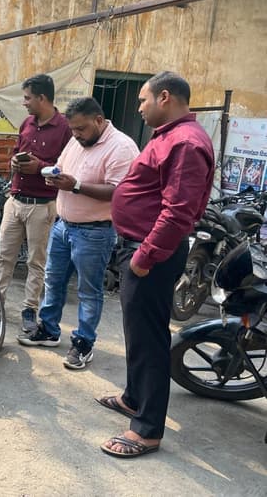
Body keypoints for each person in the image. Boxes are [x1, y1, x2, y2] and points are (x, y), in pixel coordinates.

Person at [99, 72, 214, 458]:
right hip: (140, 248)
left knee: (149, 339)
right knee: (137, 332)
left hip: (151, 254)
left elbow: (178, 212)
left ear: (165, 97)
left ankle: (147, 430)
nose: (139, 107)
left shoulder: (185, 143)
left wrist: (144, 258)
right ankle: (134, 398)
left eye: (143, 99)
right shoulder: (169, 136)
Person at [17, 97, 139, 369]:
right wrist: (54, 175)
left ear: (99, 120)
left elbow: (119, 192)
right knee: (53, 280)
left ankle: (84, 342)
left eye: (81, 129)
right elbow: (63, 167)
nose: (76, 134)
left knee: (88, 290)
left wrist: (75, 186)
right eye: (72, 129)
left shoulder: (122, 147)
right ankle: (49, 330)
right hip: (63, 225)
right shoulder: (77, 140)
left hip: (94, 231)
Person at [0, 74, 72, 334]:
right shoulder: (26, 123)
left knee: (36, 262)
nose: (24, 102)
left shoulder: (65, 128)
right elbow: (16, 150)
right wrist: (15, 161)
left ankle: (29, 309)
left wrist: (40, 167)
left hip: (42, 204)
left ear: (42, 98)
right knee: (4, 257)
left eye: (28, 98)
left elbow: (68, 168)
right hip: (15, 200)